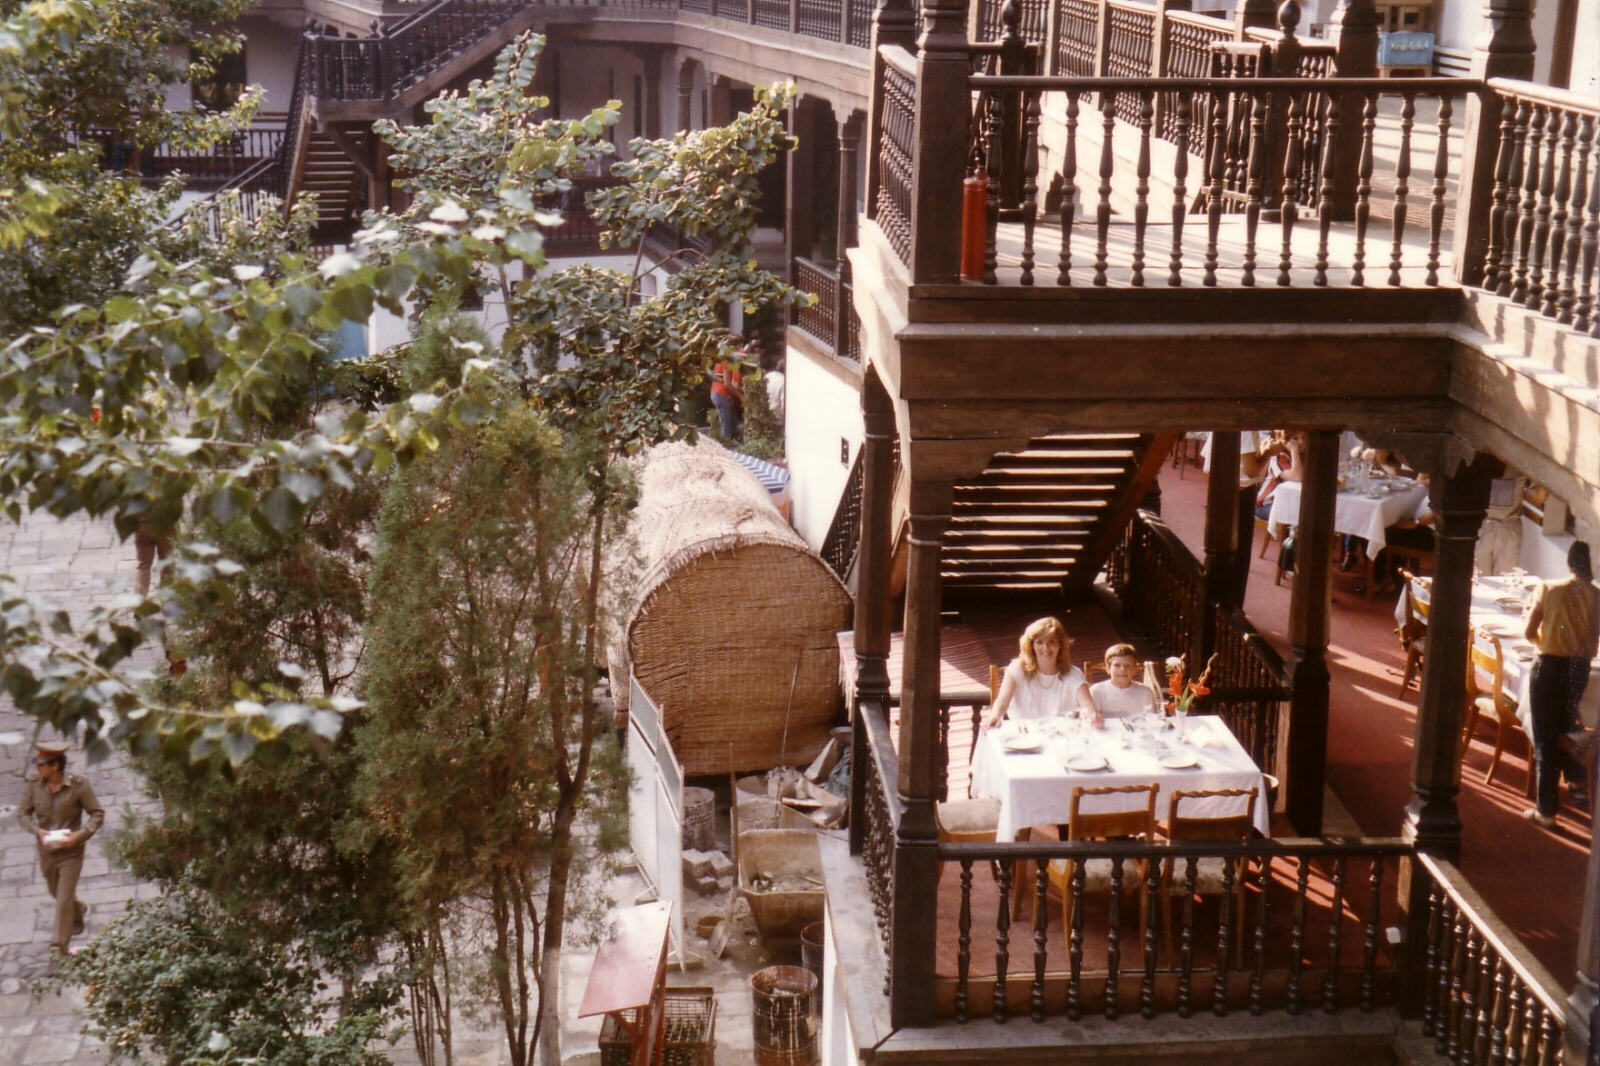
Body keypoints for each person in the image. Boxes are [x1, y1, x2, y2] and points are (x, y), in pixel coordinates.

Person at [1522, 541, 1598, 828]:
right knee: (1568, 727)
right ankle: (1577, 784)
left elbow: (1529, 632)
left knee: (1545, 738)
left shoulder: (1549, 588)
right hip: (1579, 670)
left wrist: (1545, 643)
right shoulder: (1597, 595)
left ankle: (1546, 811)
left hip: (1549, 668)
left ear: (1569, 563)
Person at [17, 740, 104, 960]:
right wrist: (38, 831)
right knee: (56, 893)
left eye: (41, 764)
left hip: (71, 852)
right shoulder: (34, 786)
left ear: (55, 766)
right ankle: (79, 909)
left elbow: (97, 813)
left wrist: (79, 836)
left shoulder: (79, 786)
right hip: (47, 851)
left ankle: (59, 947)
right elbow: (23, 814)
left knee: (63, 899)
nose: (37, 767)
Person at [1203, 431, 1290, 608]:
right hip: (1238, 494)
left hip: (1225, 489)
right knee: (1235, 559)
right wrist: (1269, 452)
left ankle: (1222, 608)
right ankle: (1230, 610)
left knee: (1227, 557)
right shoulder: (1245, 427)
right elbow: (1251, 470)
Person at [982, 616, 1098, 729]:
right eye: (1039, 642)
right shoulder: (1016, 669)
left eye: (1052, 642)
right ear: (1031, 645)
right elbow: (1002, 701)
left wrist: (1094, 717)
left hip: (1060, 736)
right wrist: (995, 715)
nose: (1046, 648)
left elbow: (1087, 706)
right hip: (1024, 735)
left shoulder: (1074, 674)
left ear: (1061, 645)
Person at [1089, 643, 1158, 720]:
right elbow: (1090, 719)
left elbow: (1151, 721)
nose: (1122, 669)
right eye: (1117, 665)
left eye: (1128, 665)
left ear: (1135, 669)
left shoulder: (1145, 692)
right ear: (1108, 668)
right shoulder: (1097, 691)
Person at [710, 342, 747, 442]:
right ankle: (725, 449)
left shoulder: (721, 359)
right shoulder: (727, 361)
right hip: (721, 394)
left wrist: (730, 396)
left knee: (732, 422)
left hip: (718, 393)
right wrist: (740, 396)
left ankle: (731, 442)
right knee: (726, 426)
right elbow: (727, 383)